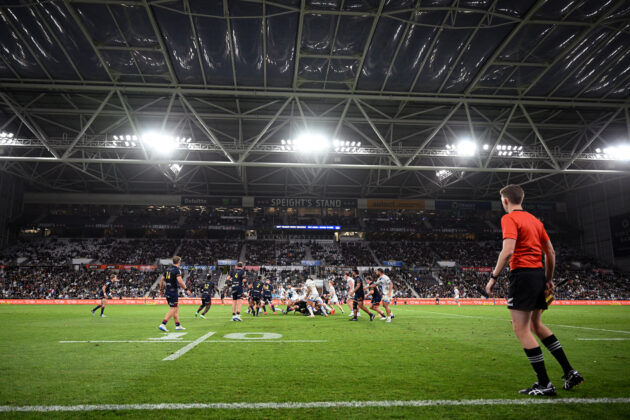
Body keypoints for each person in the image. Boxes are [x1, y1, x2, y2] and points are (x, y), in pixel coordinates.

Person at [485, 184, 583, 397]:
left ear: (505, 201)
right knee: (537, 325)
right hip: (538, 274)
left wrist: (493, 278)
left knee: (521, 329)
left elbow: (508, 251)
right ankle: (570, 371)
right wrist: (548, 279)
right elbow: (551, 252)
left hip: (522, 275)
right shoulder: (535, 220)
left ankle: (545, 383)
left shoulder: (509, 219)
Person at [158, 256, 192, 332]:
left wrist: (161, 290)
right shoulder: (177, 270)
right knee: (173, 309)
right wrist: (186, 289)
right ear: (179, 261)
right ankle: (163, 324)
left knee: (176, 308)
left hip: (167, 291)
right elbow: (180, 281)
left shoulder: (167, 270)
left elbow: (162, 280)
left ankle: (178, 325)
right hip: (173, 292)